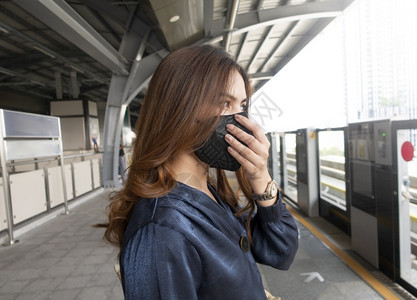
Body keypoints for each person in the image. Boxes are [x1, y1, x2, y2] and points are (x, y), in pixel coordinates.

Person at [103, 45, 298, 299]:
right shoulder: (161, 231)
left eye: (242, 105)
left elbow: (281, 249)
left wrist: (260, 176)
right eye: (225, 103)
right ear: (179, 107)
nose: (239, 119)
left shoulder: (207, 190)